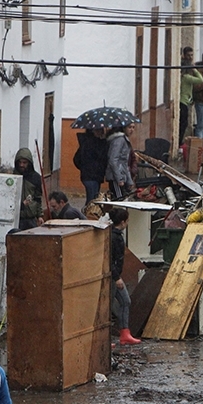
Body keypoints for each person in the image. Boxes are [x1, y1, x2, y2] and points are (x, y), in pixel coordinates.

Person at [109, 208, 141, 345]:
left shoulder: (113, 235)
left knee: (125, 301)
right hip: (112, 278)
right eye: (127, 221)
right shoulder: (114, 238)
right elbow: (109, 260)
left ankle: (125, 333)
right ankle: (107, 337)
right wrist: (116, 278)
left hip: (115, 276)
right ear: (122, 222)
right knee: (108, 306)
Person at [73, 128, 108, 206]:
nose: (102, 131)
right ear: (93, 130)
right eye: (99, 130)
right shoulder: (96, 143)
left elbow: (76, 159)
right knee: (92, 200)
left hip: (89, 175)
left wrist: (83, 168)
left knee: (92, 199)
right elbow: (103, 157)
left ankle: (88, 215)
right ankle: (87, 216)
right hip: (93, 175)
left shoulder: (85, 142)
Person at [13, 148, 44, 230]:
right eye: (19, 162)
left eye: (24, 163)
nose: (21, 165)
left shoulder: (35, 177)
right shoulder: (12, 177)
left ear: (29, 163)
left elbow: (38, 198)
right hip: (17, 217)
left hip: (31, 219)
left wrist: (40, 215)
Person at [179, 46, 203, 145]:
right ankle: (180, 142)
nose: (190, 57)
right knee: (183, 124)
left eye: (192, 55)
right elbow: (200, 80)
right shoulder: (186, 77)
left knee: (184, 124)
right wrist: (194, 70)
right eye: (188, 55)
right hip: (183, 102)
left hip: (186, 101)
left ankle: (180, 142)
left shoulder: (185, 76)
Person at [106, 127, 134, 199]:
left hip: (121, 176)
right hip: (116, 178)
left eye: (133, 127)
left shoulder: (124, 140)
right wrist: (119, 179)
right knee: (119, 200)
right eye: (130, 127)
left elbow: (125, 163)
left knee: (122, 200)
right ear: (124, 128)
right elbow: (113, 160)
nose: (132, 129)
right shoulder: (119, 140)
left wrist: (129, 180)